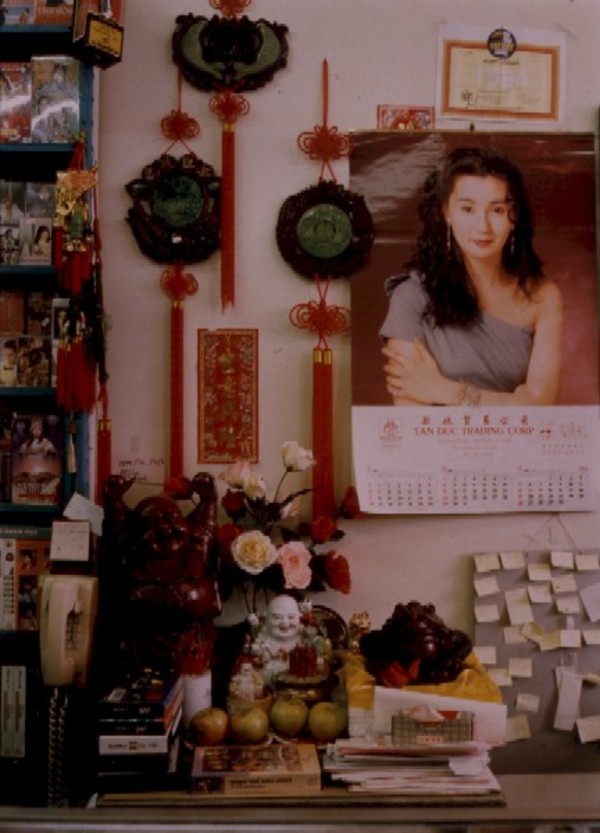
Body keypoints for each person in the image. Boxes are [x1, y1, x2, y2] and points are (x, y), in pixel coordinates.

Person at [380, 147, 563, 407]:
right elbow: (411, 415)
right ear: (446, 212)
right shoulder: (410, 296)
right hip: (436, 438)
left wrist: (443, 390)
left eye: (497, 210)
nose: (483, 226)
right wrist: (514, 403)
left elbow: (542, 408)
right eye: (467, 209)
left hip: (523, 437)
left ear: (514, 216)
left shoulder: (543, 297)